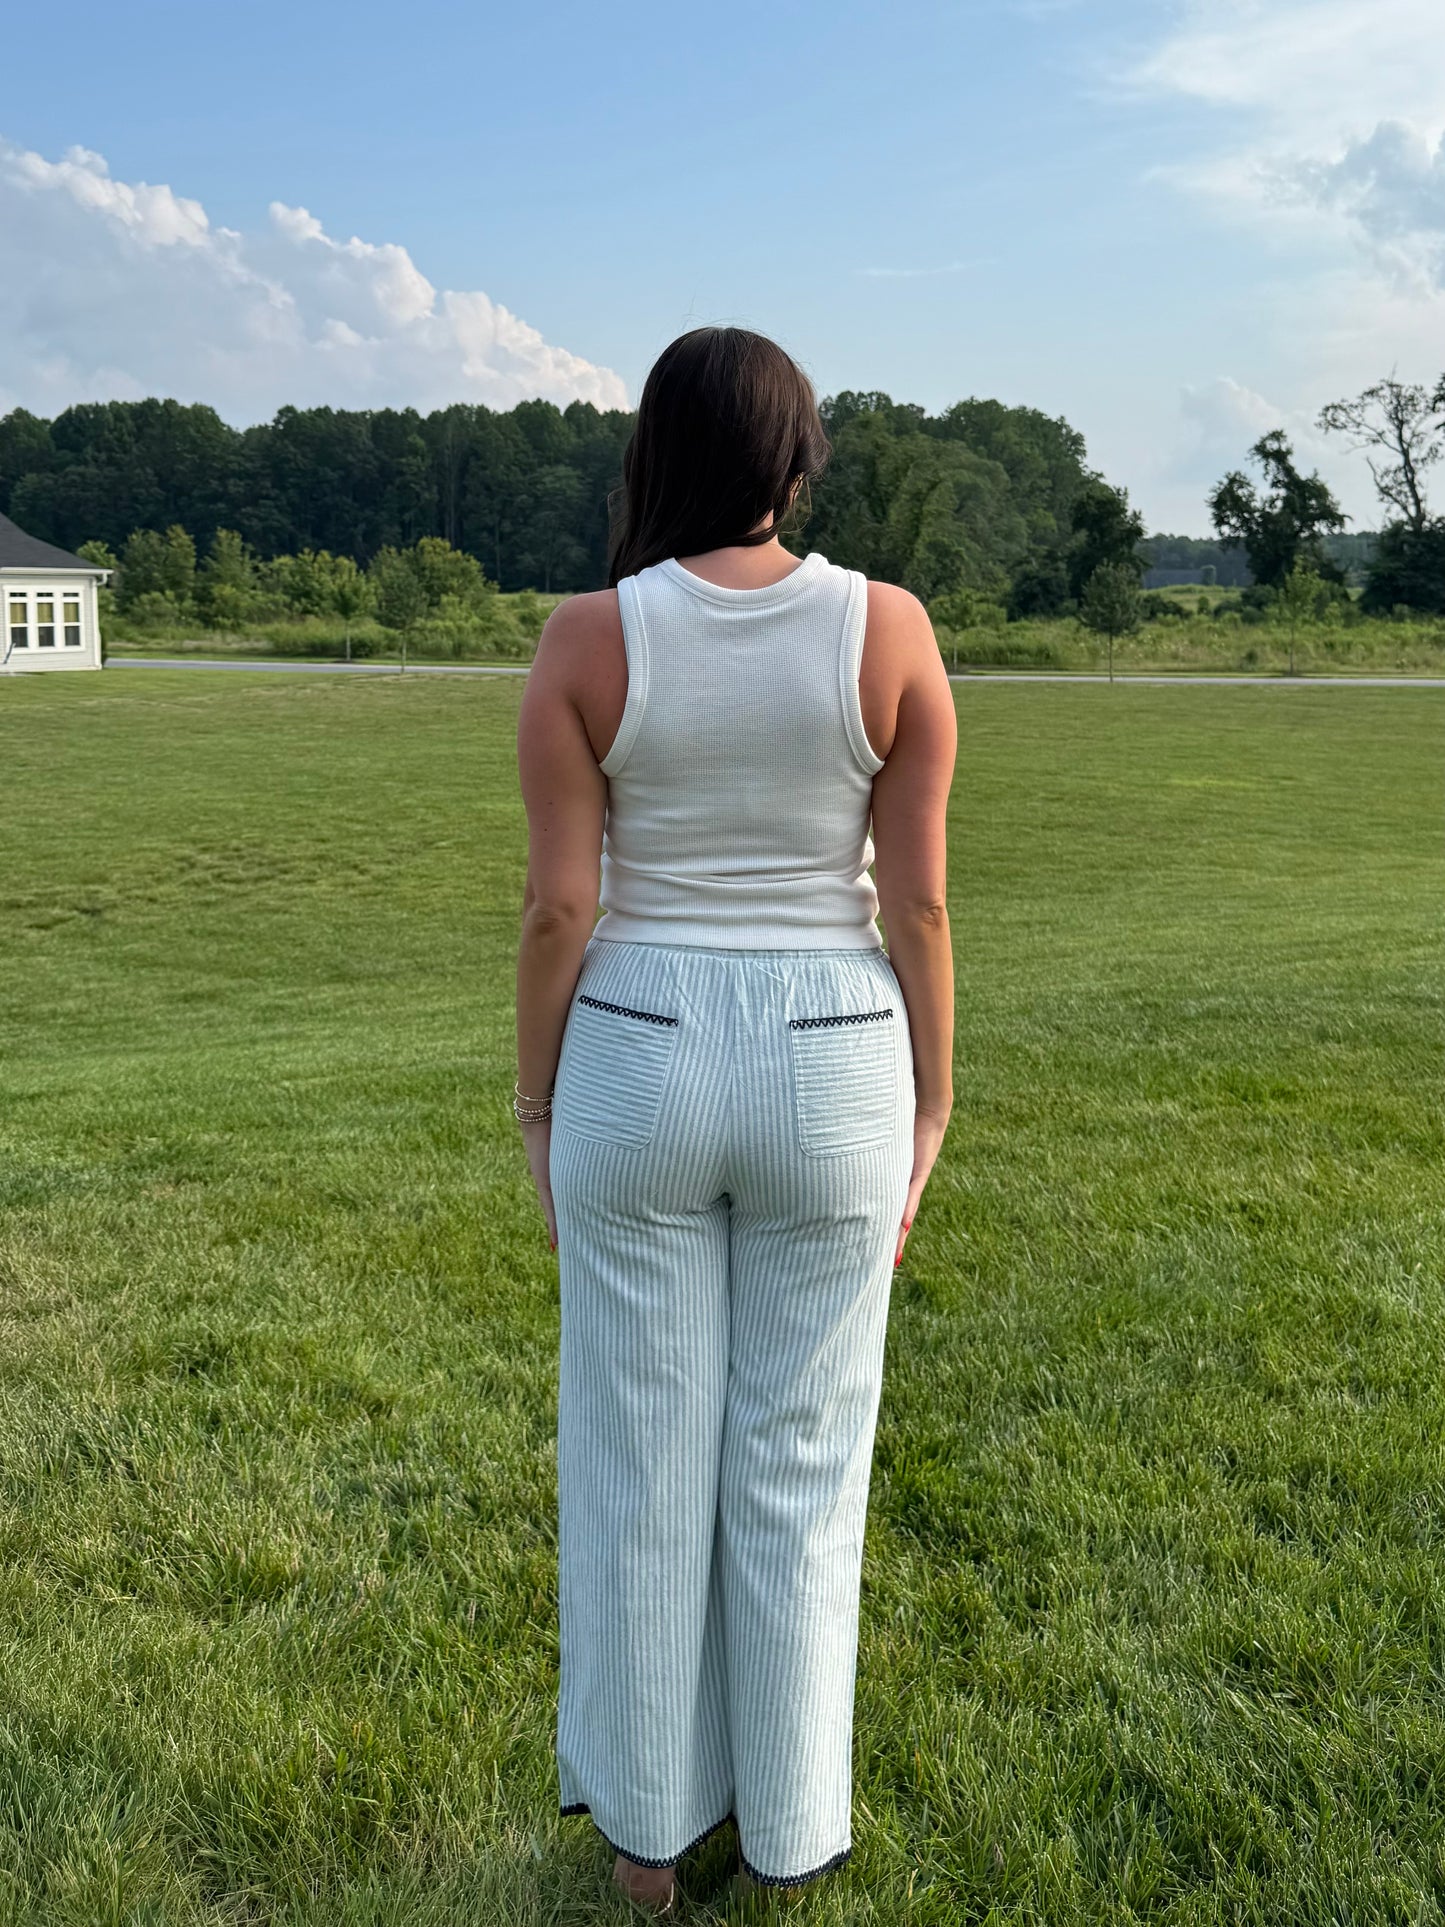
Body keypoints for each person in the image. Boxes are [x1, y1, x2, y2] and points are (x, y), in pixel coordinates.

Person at [514, 325, 956, 1915]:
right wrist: (933, 1103)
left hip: (636, 1052)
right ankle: (784, 1832)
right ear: (793, 459)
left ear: (652, 455)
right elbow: (913, 904)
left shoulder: (586, 639)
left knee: (638, 1460)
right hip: (837, 1053)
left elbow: (563, 907)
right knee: (798, 1462)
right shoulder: (886, 628)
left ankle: (644, 1845)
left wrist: (535, 1102)